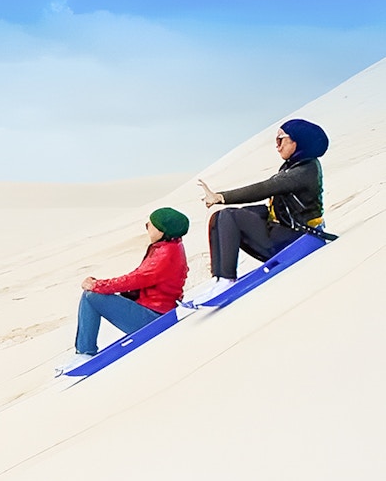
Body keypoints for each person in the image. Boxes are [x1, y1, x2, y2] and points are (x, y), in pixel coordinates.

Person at [195, 118, 329, 302]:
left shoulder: (305, 171)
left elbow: (266, 188)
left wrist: (221, 197)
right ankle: (219, 279)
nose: (277, 146)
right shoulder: (295, 165)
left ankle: (226, 280)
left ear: (298, 141)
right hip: (285, 231)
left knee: (228, 216)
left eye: (280, 139)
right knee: (220, 218)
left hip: (296, 237)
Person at [57, 208, 190, 373]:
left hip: (154, 318)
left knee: (91, 296)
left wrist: (97, 285)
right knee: (93, 295)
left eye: (152, 224)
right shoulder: (170, 246)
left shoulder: (166, 254)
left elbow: (136, 279)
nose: (147, 225)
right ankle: (83, 351)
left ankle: (84, 352)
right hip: (157, 311)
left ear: (163, 231)